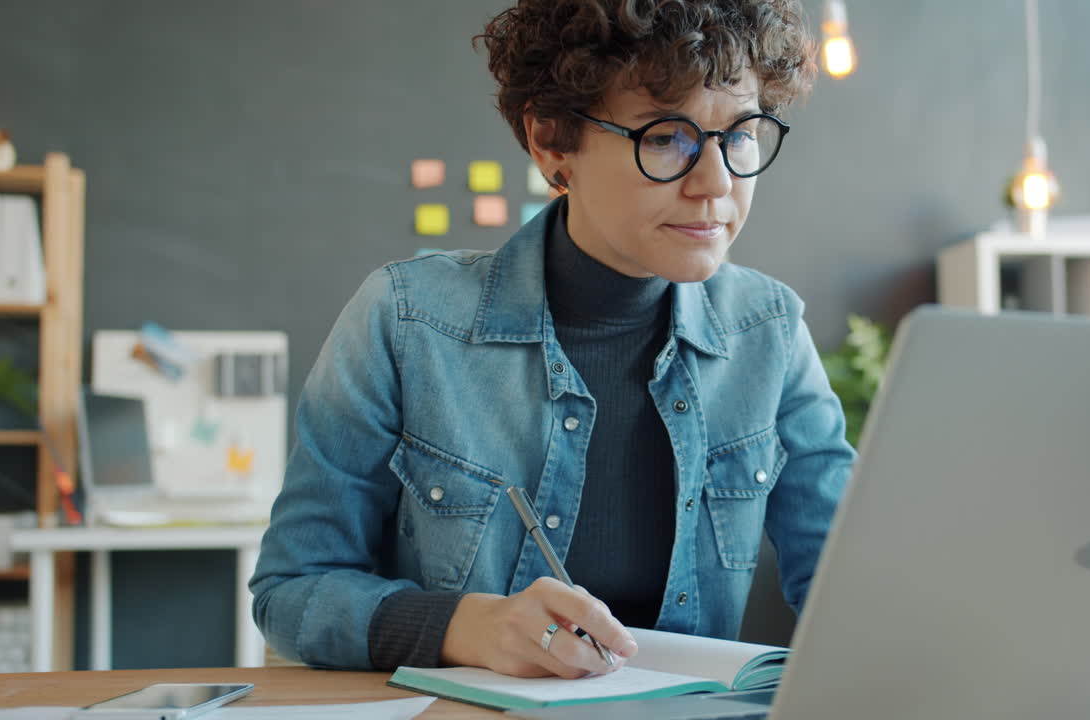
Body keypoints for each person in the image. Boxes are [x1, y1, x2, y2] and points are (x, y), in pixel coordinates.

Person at [250, 0, 855, 680]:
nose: (715, 184)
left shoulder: (767, 331)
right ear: (551, 142)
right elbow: (291, 591)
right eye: (664, 136)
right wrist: (464, 627)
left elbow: (856, 589)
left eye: (741, 134)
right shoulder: (406, 319)